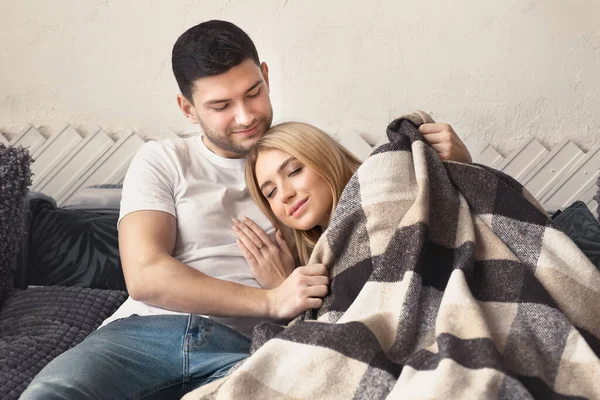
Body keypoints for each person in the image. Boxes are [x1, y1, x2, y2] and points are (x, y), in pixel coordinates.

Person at [21, 20, 471, 399]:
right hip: (143, 333)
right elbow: (146, 274)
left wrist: (456, 165)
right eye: (220, 105)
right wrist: (271, 300)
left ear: (267, 77)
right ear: (187, 108)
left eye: (253, 92)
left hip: (250, 346)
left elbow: (380, 240)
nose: (245, 116)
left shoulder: (305, 162)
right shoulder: (162, 160)